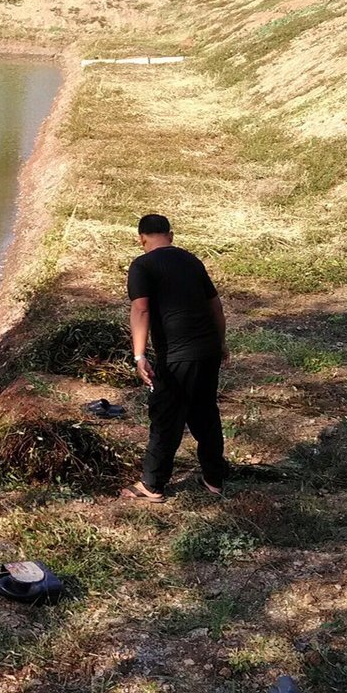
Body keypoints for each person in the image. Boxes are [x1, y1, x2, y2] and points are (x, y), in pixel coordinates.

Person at [120, 213, 231, 503]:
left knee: (166, 417)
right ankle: (214, 479)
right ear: (170, 235)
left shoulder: (142, 265)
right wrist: (220, 344)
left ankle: (152, 485)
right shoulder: (192, 261)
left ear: (141, 239)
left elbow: (141, 310)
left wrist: (139, 355)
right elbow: (216, 307)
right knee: (205, 413)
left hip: (177, 356)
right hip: (207, 349)